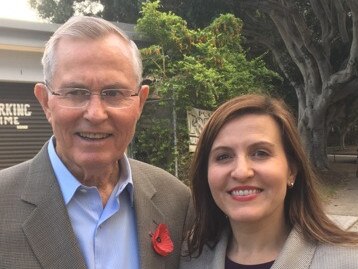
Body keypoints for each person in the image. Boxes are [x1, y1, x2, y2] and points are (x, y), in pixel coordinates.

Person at [0, 16, 192, 269]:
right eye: (76, 93)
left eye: (113, 93)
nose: (95, 114)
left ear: (140, 103)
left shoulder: (176, 200)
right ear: (45, 102)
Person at [180, 94, 358, 269]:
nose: (242, 172)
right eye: (223, 156)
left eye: (260, 153)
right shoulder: (190, 258)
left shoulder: (348, 261)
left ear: (291, 170)